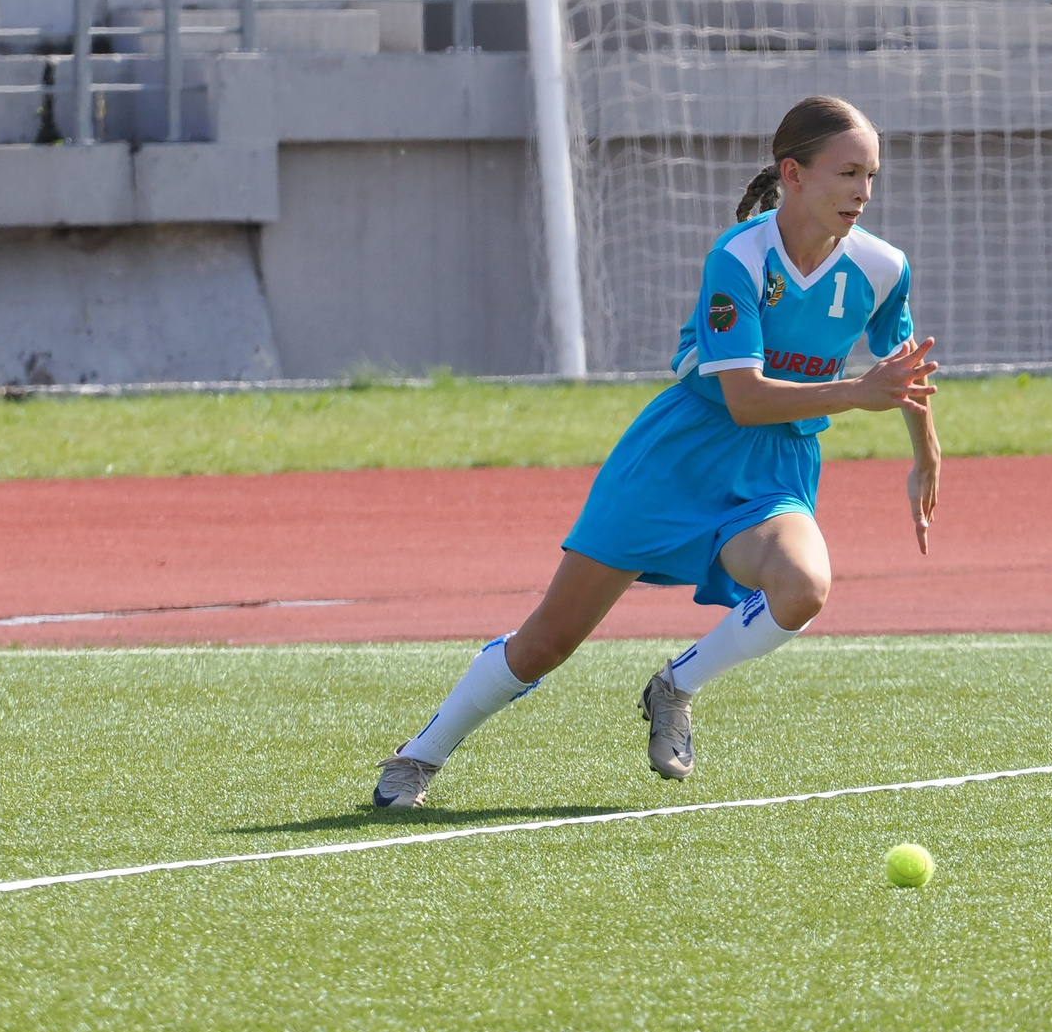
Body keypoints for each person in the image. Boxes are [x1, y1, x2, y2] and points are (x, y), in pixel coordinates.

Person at [373, 96, 940, 805]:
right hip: (677, 455)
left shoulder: (883, 268)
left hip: (775, 465)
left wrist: (925, 453)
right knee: (548, 640)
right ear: (792, 174)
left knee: (803, 588)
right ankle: (419, 756)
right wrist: (857, 393)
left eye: (872, 176)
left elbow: (903, 366)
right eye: (848, 172)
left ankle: (675, 686)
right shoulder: (738, 258)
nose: (863, 191)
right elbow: (744, 397)